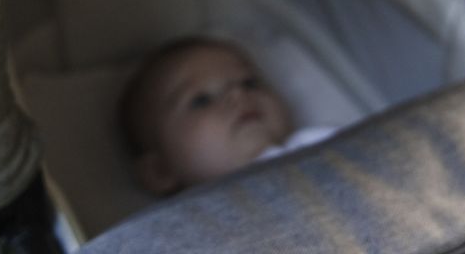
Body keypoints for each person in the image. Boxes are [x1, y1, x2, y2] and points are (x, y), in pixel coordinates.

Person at [119, 36, 334, 195]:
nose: (238, 94)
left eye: (249, 83)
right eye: (202, 100)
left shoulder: (318, 144)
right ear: (161, 170)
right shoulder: (191, 226)